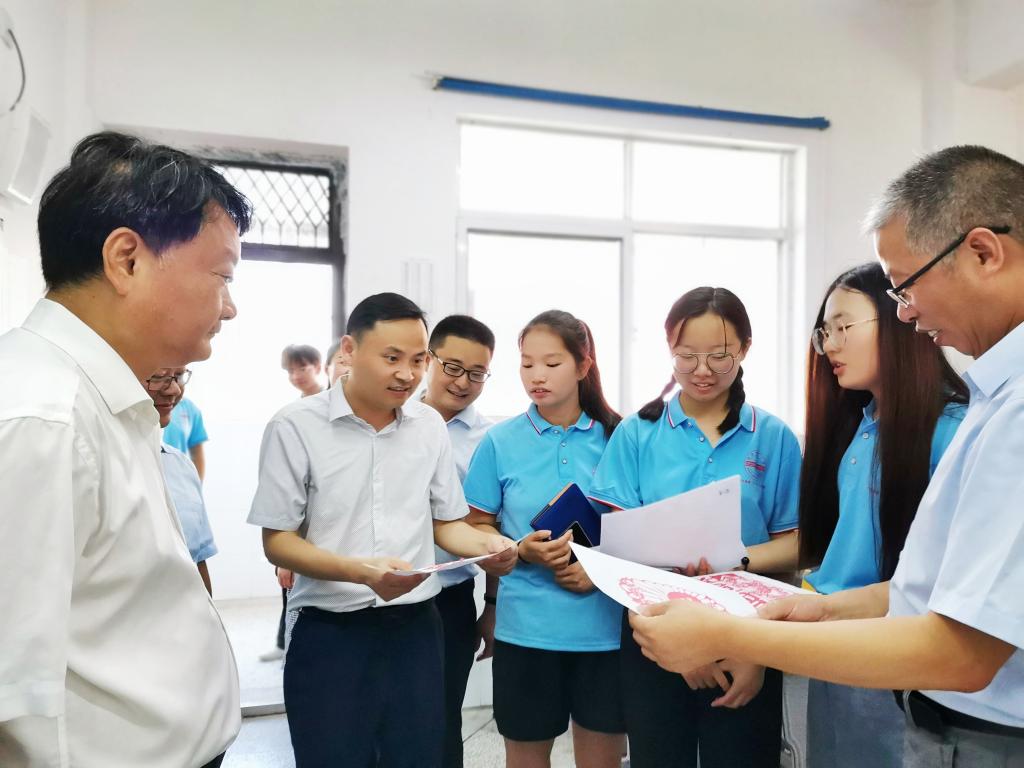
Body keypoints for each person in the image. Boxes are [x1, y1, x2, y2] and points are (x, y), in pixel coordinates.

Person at [629, 145, 1024, 767]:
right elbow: (923, 588)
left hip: (969, 717)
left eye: (906, 285)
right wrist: (822, 606)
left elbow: (963, 649)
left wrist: (736, 635)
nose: (907, 312)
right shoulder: (987, 399)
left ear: (983, 252)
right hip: (910, 688)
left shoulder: (1003, 412)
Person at [0, 131, 250, 768]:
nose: (230, 308)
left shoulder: (103, 395)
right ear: (127, 260)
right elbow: (12, 689)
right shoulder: (43, 419)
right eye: (222, 276)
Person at [247, 292, 517, 768]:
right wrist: (360, 572)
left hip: (416, 629)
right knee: (333, 756)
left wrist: (489, 545)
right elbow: (278, 542)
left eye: (417, 360)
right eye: (392, 358)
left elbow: (447, 525)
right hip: (330, 629)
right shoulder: (295, 426)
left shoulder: (428, 426)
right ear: (349, 350)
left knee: (419, 756)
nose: (407, 374)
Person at [590, 287, 802, 768]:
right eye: (686, 356)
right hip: (654, 629)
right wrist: (680, 648)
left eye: (719, 356)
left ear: (745, 349)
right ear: (669, 349)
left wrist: (738, 570)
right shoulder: (637, 433)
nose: (702, 370)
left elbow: (795, 545)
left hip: (748, 635)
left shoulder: (773, 437)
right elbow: (619, 549)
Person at [798, 262, 967, 767]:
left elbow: (946, 582)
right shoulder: (862, 423)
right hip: (833, 643)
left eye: (843, 327)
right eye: (824, 332)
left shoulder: (951, 430)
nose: (829, 346)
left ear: (899, 319)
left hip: (891, 656)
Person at [462, 309, 626, 768]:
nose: (537, 376)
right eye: (526, 363)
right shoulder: (499, 442)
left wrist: (598, 571)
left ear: (584, 365)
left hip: (605, 633)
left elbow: (643, 530)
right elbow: (474, 528)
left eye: (552, 364)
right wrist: (518, 550)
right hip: (525, 632)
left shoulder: (620, 437)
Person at [421, 314, 497, 768]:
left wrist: (491, 607)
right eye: (452, 367)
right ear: (428, 360)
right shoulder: (393, 418)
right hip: (380, 595)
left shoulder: (488, 440)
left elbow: (491, 526)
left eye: (477, 373)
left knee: (442, 720)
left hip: (449, 599)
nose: (463, 382)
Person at [259, 344, 327, 663]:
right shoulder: (290, 416)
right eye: (290, 370)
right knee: (289, 584)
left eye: (303, 368)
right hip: (296, 527)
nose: (296, 375)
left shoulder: (330, 409)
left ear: (319, 367)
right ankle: (284, 642)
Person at [147, 366, 221, 596]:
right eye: (159, 375)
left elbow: (198, 559)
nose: (174, 389)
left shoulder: (181, 466)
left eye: (179, 376)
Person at [163, 395, 210, 480]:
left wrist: (196, 485)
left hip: (178, 480)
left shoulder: (190, 408)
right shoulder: (147, 403)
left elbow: (197, 454)